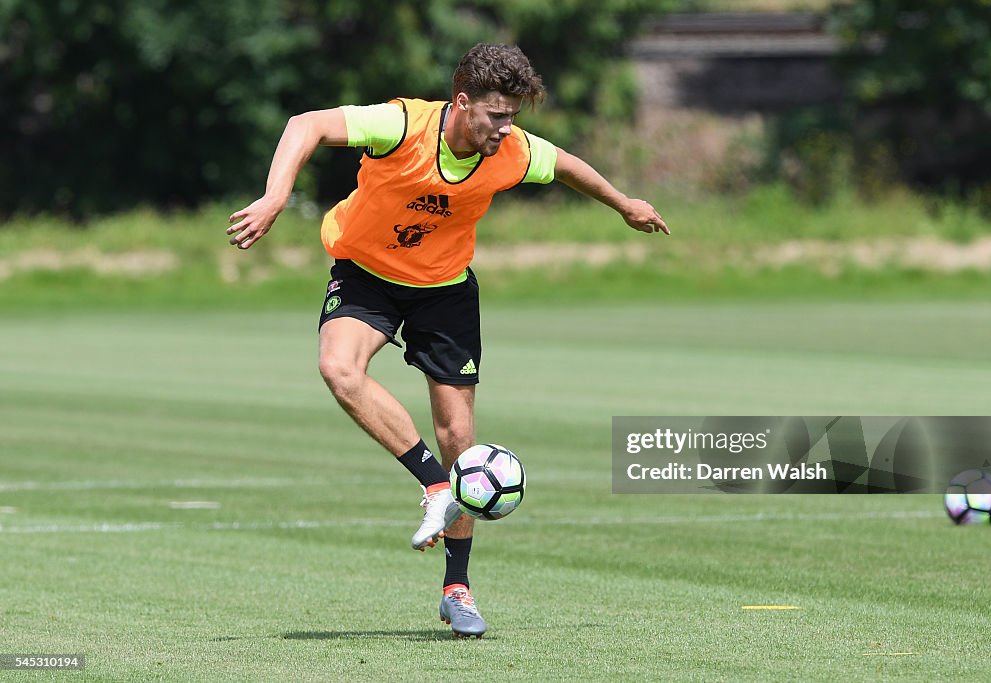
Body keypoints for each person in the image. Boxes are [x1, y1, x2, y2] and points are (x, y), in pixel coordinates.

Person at [226, 43, 669, 638]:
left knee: (460, 437)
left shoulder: (508, 151)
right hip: (367, 275)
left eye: (512, 117)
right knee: (339, 367)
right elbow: (305, 124)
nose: (505, 128)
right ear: (461, 103)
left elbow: (564, 164)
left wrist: (623, 205)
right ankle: (436, 486)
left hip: (445, 291)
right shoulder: (401, 125)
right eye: (495, 115)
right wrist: (277, 195)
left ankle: (456, 589)